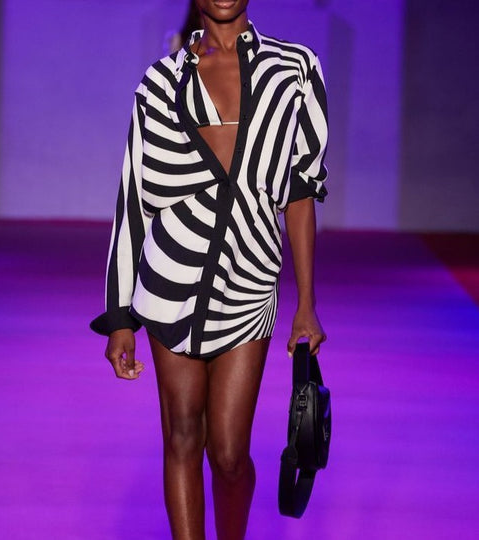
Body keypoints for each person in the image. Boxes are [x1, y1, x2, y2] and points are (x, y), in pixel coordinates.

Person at [90, 1, 328, 538]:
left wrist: (306, 304)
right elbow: (133, 200)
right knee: (181, 436)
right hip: (169, 282)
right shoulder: (160, 83)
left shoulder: (294, 70)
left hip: (249, 283)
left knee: (228, 453)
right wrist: (120, 317)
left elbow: (300, 193)